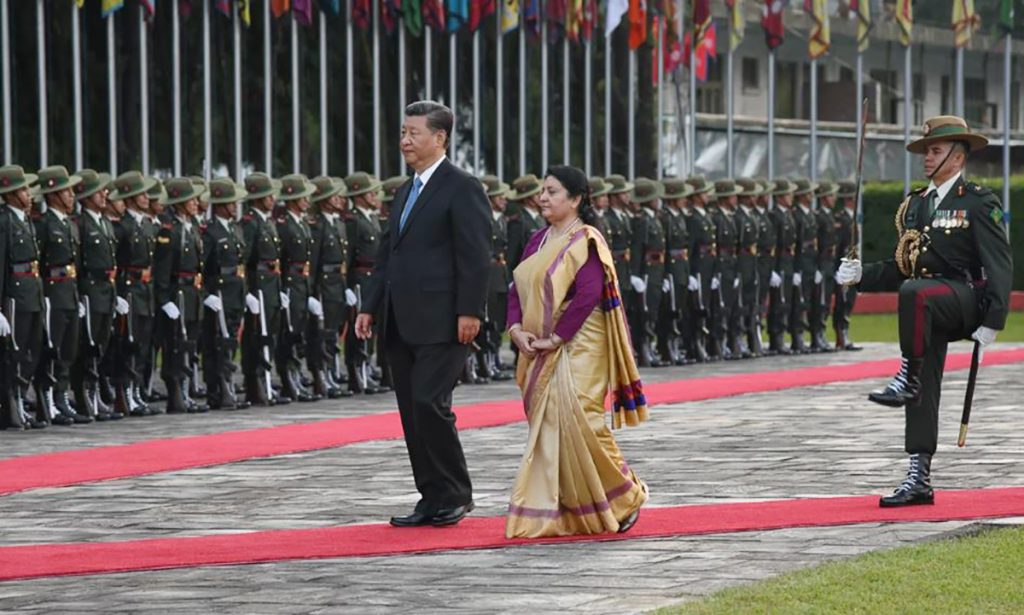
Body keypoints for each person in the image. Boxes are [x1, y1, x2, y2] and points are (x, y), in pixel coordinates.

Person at [836, 115, 1013, 507]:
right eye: (926, 151)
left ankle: (905, 375)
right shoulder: (916, 205)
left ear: (957, 155)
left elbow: (1000, 263)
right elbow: (904, 266)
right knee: (923, 379)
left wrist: (993, 320)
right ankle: (918, 475)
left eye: (934, 151)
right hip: (926, 305)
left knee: (916, 294)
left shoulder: (979, 201)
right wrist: (860, 274)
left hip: (964, 298)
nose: (927, 158)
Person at [356, 100, 491, 528]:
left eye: (413, 133)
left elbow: (475, 255)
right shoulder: (405, 189)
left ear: (440, 138)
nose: (405, 141)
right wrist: (370, 305)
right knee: (412, 409)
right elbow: (387, 255)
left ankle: (455, 493)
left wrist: (471, 310)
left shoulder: (461, 186)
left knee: (430, 402)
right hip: (401, 317)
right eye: (402, 133)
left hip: (444, 317)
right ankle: (430, 496)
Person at [505, 165, 648, 538]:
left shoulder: (587, 239)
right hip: (538, 343)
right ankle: (573, 508)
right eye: (543, 191)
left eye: (552, 192)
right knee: (551, 422)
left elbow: (587, 294)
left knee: (583, 418)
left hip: (581, 340)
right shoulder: (536, 241)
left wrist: (557, 337)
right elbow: (517, 288)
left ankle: (625, 495)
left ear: (576, 200)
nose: (543, 198)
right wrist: (516, 329)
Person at [33, 166, 91, 425]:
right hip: (53, 293)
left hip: (69, 291)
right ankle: (48, 399)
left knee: (69, 349)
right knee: (52, 349)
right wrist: (44, 294)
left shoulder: (68, 224)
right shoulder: (44, 225)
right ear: (54, 194)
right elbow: (40, 262)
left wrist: (77, 295)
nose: (71, 196)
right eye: (67, 191)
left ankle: (61, 398)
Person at [73, 169, 127, 421]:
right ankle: (85, 395)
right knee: (88, 345)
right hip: (91, 291)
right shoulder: (80, 224)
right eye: (98, 191)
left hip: (106, 290)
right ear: (85, 196)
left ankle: (95, 394)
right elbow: (79, 264)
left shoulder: (104, 223)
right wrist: (79, 295)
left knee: (102, 343)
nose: (104, 194)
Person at [153, 177, 208, 414]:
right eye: (190, 199)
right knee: (175, 346)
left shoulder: (192, 228)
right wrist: (164, 300)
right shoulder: (169, 232)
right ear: (179, 203)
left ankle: (185, 392)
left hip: (192, 294)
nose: (195, 203)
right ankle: (176, 393)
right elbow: (162, 270)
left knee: (189, 345)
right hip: (178, 295)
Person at [0, 165, 47, 430]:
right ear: (11, 192)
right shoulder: (4, 220)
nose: (28, 194)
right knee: (15, 355)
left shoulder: (25, 219)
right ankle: (11, 407)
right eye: (23, 189)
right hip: (16, 296)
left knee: (33, 348)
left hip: (32, 292)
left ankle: (19, 398)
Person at [109, 171, 160, 415]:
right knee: (128, 344)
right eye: (141, 193)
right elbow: (115, 264)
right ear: (129, 196)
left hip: (145, 291)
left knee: (143, 344)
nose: (146, 197)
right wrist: (118, 294)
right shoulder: (122, 228)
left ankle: (137, 392)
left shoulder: (147, 225)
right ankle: (125, 394)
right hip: (129, 291)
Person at [200, 178, 251, 411]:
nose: (235, 206)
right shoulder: (210, 232)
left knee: (230, 341)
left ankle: (226, 387)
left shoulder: (234, 229)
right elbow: (201, 268)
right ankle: (219, 390)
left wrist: (246, 291)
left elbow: (241, 263)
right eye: (231, 202)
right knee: (218, 344)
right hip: (219, 293)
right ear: (220, 204)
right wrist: (206, 294)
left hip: (235, 292)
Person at [275, 174, 321, 403]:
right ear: (293, 198)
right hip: (291, 285)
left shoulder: (302, 223)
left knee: (299, 332)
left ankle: (295, 375)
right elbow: (280, 260)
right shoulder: (284, 226)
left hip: (302, 284)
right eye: (303, 196)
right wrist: (282, 288)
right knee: (290, 333)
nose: (307, 200)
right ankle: (288, 380)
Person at [832, 180, 861, 351]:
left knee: (849, 300)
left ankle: (845, 331)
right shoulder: (841, 220)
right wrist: (838, 268)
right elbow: (837, 247)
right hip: (842, 268)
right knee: (842, 302)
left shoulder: (850, 218)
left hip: (851, 267)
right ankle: (840, 335)